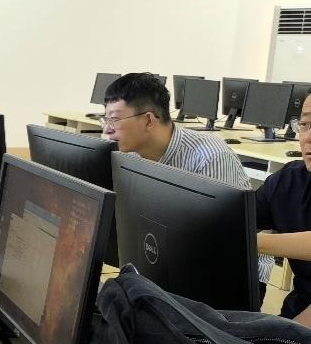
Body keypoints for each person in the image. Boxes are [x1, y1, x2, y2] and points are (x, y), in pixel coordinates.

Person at [102, 72, 275, 292]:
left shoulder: (210, 157)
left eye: (115, 120)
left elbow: (223, 240)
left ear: (148, 120)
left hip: (230, 273)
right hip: (172, 261)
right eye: (106, 119)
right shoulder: (130, 156)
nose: (107, 129)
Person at [255, 92, 311, 323]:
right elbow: (236, 218)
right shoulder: (288, 181)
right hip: (295, 313)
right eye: (305, 124)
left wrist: (252, 242)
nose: (308, 137)